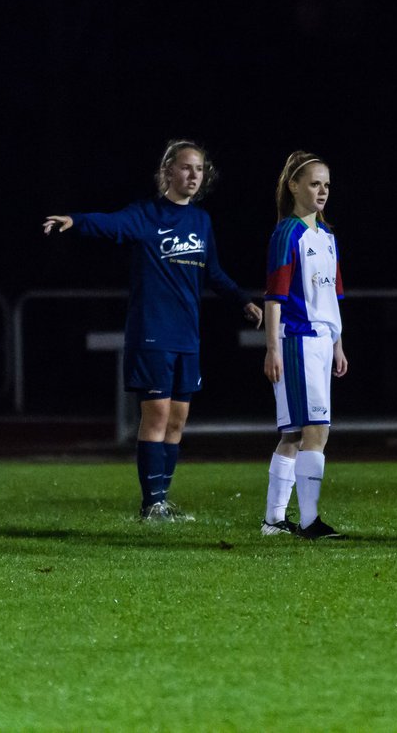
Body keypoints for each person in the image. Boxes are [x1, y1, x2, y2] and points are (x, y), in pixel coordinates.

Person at [44, 140, 263, 521]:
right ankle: (151, 505)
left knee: (178, 420)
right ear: (167, 172)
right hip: (152, 333)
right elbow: (111, 223)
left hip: (187, 336)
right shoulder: (146, 215)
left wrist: (242, 299)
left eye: (199, 169)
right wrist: (75, 220)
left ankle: (163, 500)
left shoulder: (201, 221)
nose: (194, 175)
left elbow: (212, 271)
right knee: (157, 416)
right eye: (186, 168)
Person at [261, 151, 348, 539]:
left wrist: (337, 343)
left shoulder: (327, 237)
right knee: (315, 430)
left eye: (327, 184)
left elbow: (333, 296)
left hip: (320, 342)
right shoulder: (288, 233)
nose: (322, 191)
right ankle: (309, 522)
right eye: (315, 183)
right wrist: (273, 348)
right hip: (296, 340)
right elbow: (274, 296)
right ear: (294, 186)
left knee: (296, 433)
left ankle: (274, 521)